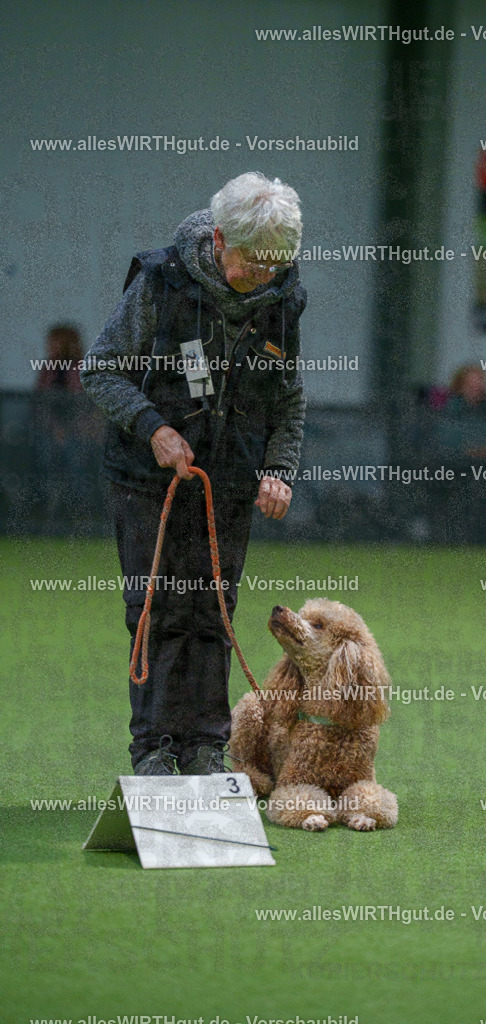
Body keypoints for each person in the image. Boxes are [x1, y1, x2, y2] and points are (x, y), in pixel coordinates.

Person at [81, 171, 307, 775]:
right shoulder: (161, 282)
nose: (262, 278)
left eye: (273, 267)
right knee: (156, 611)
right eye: (251, 264)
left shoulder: (283, 299)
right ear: (217, 238)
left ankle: (207, 746)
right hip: (147, 479)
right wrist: (154, 427)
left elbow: (288, 400)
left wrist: (279, 468)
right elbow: (101, 369)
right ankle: (153, 748)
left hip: (226, 483)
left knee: (213, 612)